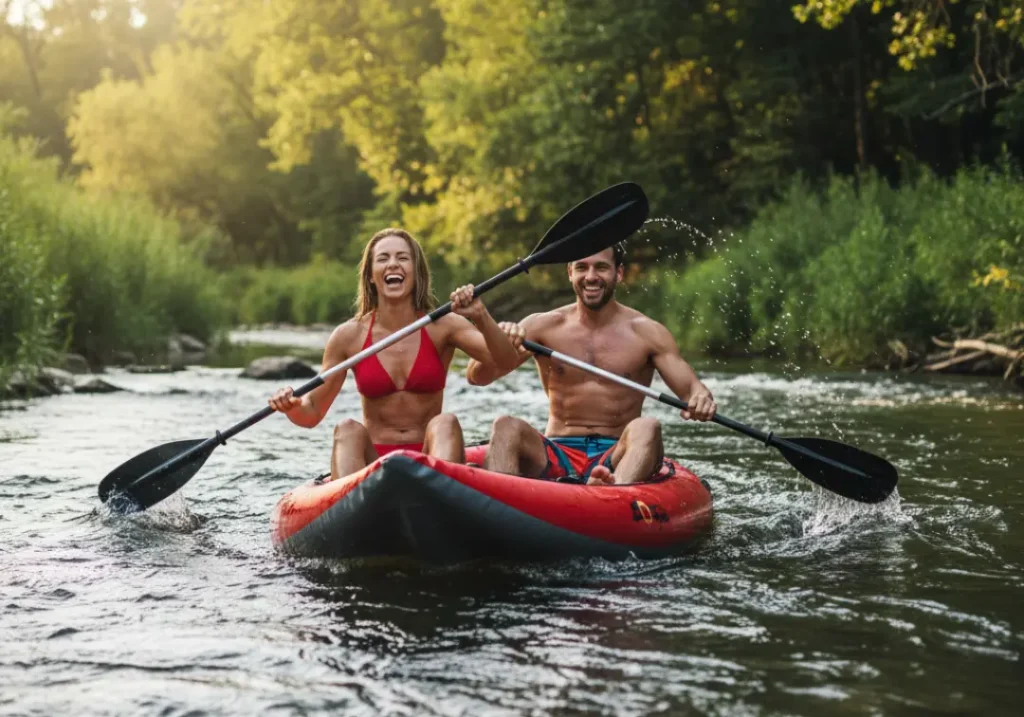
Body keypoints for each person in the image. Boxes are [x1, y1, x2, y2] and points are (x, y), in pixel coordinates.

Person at [268, 228, 520, 480]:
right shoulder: (349, 336)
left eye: (402, 258)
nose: (393, 264)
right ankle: (356, 506)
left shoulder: (444, 327)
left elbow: (505, 360)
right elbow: (311, 412)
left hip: (431, 454)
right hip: (374, 465)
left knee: (445, 423)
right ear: (370, 276)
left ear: (416, 272)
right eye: (383, 258)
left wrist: (481, 316)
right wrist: (291, 407)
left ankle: (440, 498)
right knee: (347, 429)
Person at [466, 243, 717, 485]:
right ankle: (500, 501)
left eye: (601, 267)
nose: (591, 276)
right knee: (506, 426)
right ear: (570, 273)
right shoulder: (542, 326)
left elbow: (692, 390)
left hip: (617, 454)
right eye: (582, 267)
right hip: (556, 451)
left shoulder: (647, 333)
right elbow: (478, 377)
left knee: (647, 426)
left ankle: (612, 493)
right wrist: (497, 339)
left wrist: (701, 399)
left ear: (618, 273)